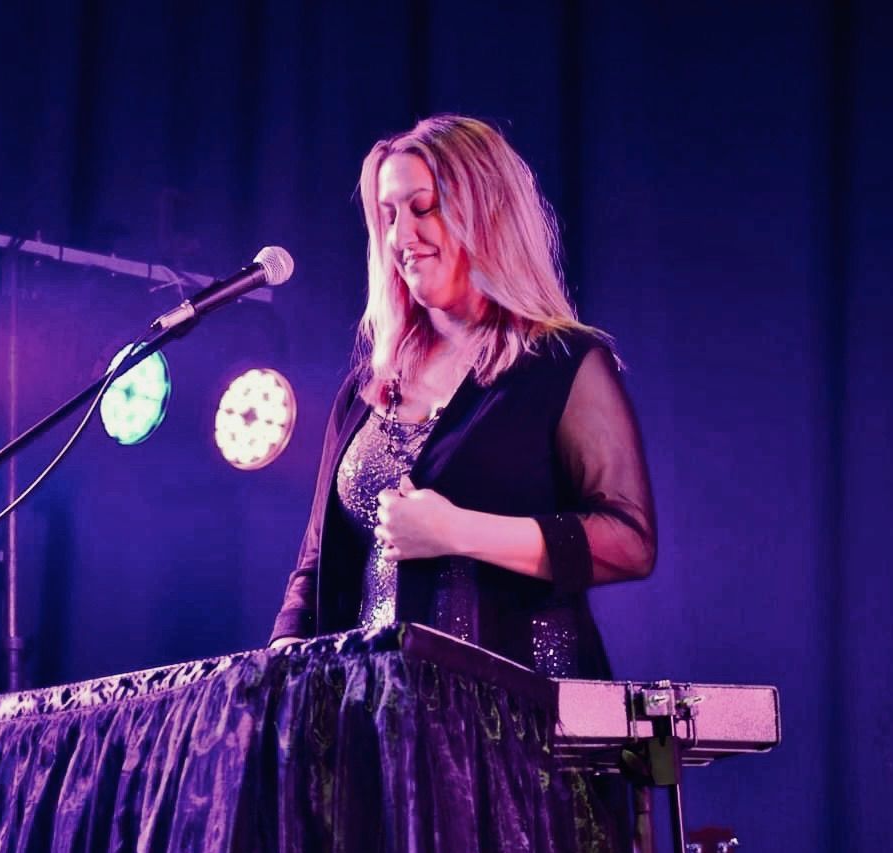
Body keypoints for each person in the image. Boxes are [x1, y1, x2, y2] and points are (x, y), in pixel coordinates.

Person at [269, 114, 656, 682]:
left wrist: (458, 532)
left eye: (422, 208)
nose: (402, 236)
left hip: (514, 727)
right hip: (372, 718)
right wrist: (281, 664)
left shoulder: (560, 365)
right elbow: (317, 562)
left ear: (486, 213)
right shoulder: (365, 389)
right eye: (389, 214)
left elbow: (630, 541)